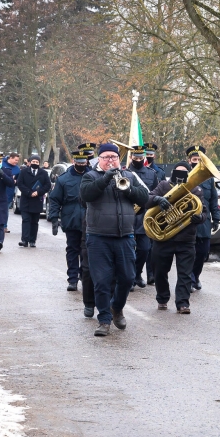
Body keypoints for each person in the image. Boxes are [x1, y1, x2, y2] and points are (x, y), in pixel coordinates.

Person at [79, 142, 149, 337]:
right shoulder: (90, 176)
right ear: (99, 160)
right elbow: (85, 196)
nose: (110, 160)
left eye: (114, 157)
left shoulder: (130, 176)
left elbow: (144, 198)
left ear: (119, 159)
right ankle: (104, 320)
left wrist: (128, 190)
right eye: (106, 157)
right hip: (98, 237)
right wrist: (104, 180)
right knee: (101, 281)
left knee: (127, 278)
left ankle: (116, 308)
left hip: (125, 236)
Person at [146, 161, 204, 313]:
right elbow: (148, 199)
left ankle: (183, 303)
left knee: (185, 273)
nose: (180, 175)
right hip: (164, 238)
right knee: (159, 271)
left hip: (186, 239)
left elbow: (203, 212)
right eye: (178, 172)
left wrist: (200, 218)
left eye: (184, 172)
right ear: (173, 173)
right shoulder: (164, 186)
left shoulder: (196, 190)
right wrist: (157, 200)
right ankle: (162, 297)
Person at [49, 151, 90, 291]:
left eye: (83, 162)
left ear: (87, 162)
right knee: (73, 249)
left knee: (87, 251)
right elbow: (54, 199)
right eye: (78, 162)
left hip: (90, 220)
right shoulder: (63, 179)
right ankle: (72, 279)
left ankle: (84, 276)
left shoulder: (93, 176)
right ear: (74, 161)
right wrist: (54, 219)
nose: (81, 165)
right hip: (71, 219)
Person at [185, 145, 220, 291]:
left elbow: (213, 199)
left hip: (204, 221)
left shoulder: (209, 179)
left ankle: (196, 276)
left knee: (203, 252)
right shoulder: (183, 175)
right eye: (194, 159)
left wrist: (216, 218)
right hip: (187, 221)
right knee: (189, 253)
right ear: (189, 160)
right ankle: (189, 279)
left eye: (200, 159)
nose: (197, 161)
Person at [126, 144, 160, 290]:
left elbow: (156, 193)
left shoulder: (152, 174)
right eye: (135, 157)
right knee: (128, 250)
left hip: (145, 218)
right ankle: (130, 277)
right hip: (128, 217)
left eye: (141, 157)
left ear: (144, 157)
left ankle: (138, 273)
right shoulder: (125, 173)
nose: (138, 159)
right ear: (131, 157)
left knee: (144, 249)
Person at [17, 154, 50, 247]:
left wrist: (38, 192)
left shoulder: (43, 173)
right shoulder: (23, 172)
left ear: (39, 163)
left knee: (34, 222)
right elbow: (20, 183)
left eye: (37, 162)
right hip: (26, 199)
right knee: (26, 220)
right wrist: (28, 192)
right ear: (29, 162)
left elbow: (47, 185)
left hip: (37, 200)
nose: (35, 163)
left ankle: (32, 240)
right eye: (33, 162)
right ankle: (24, 240)